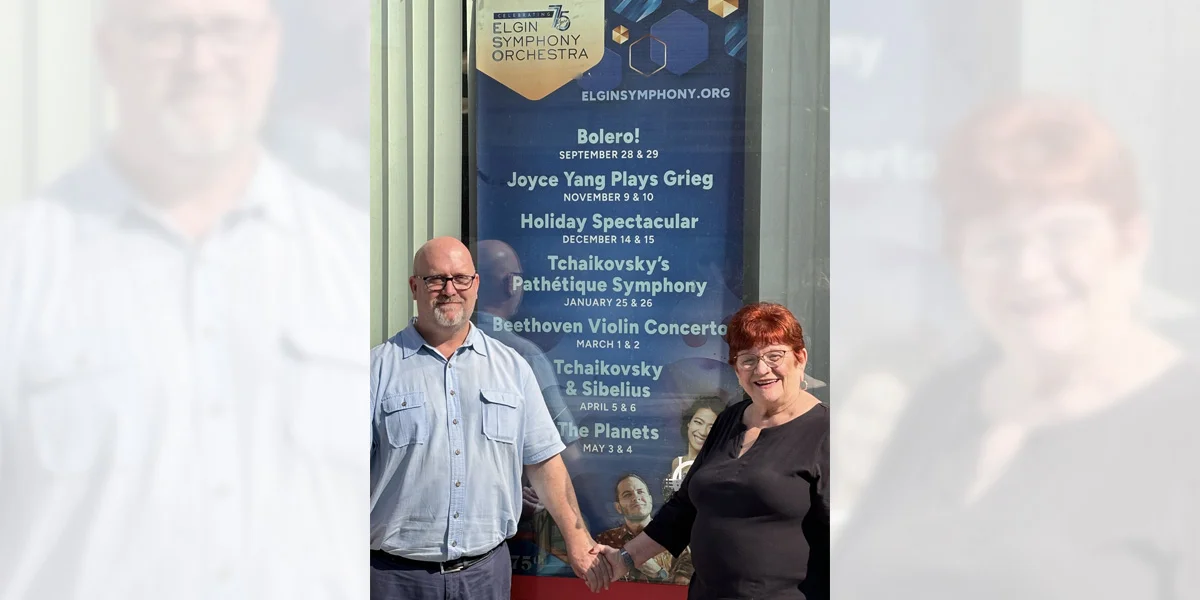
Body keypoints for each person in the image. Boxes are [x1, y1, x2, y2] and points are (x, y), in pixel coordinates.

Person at [0, 0, 367, 597]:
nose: (200, 61)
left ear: (270, 46)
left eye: (226, 29)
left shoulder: (352, 260)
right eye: (164, 33)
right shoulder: (16, 267)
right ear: (108, 51)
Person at [832, 98, 1200, 599]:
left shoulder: (1185, 427)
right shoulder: (943, 401)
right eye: (998, 243)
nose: (1029, 269)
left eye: (1064, 234)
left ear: (1131, 240)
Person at [370, 237, 612, 598]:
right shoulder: (375, 370)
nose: (449, 290)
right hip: (396, 579)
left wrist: (578, 539)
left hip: (485, 577)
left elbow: (544, 461)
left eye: (461, 279)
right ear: (414, 286)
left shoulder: (513, 367)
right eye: (436, 279)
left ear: (476, 285)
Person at [594, 302, 830, 599]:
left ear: (800, 358)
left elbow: (849, 538)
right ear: (736, 369)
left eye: (775, 355)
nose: (761, 369)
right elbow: (684, 507)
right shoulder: (732, 418)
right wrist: (624, 559)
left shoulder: (827, 432)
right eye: (747, 359)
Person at [475, 238, 582, 576]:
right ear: (512, 284)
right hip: (516, 537)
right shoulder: (524, 356)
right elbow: (569, 453)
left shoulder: (436, 355)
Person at [593, 474, 676, 583]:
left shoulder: (676, 539)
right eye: (627, 495)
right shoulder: (604, 541)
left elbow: (686, 588)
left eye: (640, 492)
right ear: (618, 507)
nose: (636, 497)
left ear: (650, 500)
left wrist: (659, 573)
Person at [670, 397, 724, 478]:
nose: (703, 432)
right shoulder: (677, 462)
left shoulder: (714, 467)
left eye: (712, 428)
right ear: (688, 422)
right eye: (698, 422)